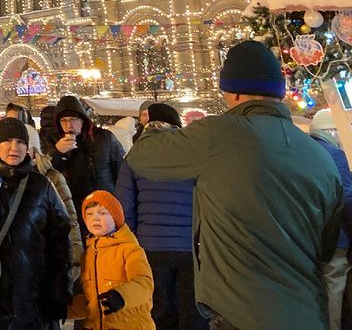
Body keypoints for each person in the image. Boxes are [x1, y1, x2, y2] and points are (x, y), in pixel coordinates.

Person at [126, 40, 343, 330]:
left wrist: (154, 125)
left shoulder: (218, 134)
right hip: (306, 312)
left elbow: (142, 157)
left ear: (234, 91)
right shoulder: (320, 155)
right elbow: (326, 247)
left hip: (241, 312)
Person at [0, 117, 74, 330]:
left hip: (33, 294)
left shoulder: (41, 185)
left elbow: (60, 238)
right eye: (8, 141)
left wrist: (60, 288)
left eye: (21, 142)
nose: (15, 148)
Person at [115, 103, 205, 330]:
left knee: (159, 311)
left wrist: (131, 244)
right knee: (193, 312)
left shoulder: (134, 156)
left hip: (151, 247)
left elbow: (124, 208)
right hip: (190, 246)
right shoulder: (193, 153)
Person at [66, 191, 154, 329]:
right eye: (89, 214)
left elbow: (144, 284)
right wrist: (66, 309)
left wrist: (121, 296)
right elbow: (91, 302)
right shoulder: (87, 255)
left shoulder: (130, 249)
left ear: (115, 218)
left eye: (102, 213)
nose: (95, 218)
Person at [49, 96, 125, 240]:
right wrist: (57, 152)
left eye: (73, 119)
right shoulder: (52, 141)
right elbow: (45, 172)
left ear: (83, 119)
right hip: (72, 208)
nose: (69, 125)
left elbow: (121, 171)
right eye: (63, 121)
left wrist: (119, 203)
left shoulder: (104, 138)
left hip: (104, 204)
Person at [309, 109, 352, 330]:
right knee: (335, 286)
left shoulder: (303, 152)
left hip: (306, 236)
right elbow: (347, 196)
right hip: (335, 238)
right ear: (329, 130)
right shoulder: (334, 155)